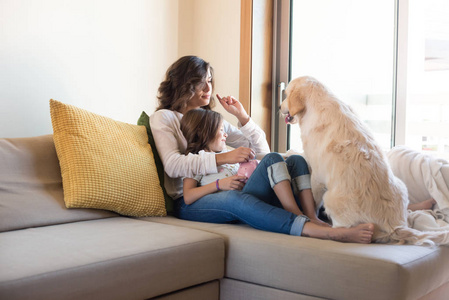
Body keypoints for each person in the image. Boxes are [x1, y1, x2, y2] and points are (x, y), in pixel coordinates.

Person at [150, 55, 374, 243]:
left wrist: (242, 117)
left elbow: (262, 152)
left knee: (292, 161)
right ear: (184, 83)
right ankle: (320, 231)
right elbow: (173, 165)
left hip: (224, 186)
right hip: (190, 201)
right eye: (201, 82)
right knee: (234, 200)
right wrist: (224, 158)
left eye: (210, 81)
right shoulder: (164, 118)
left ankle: (318, 215)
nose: (209, 88)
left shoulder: (212, 120)